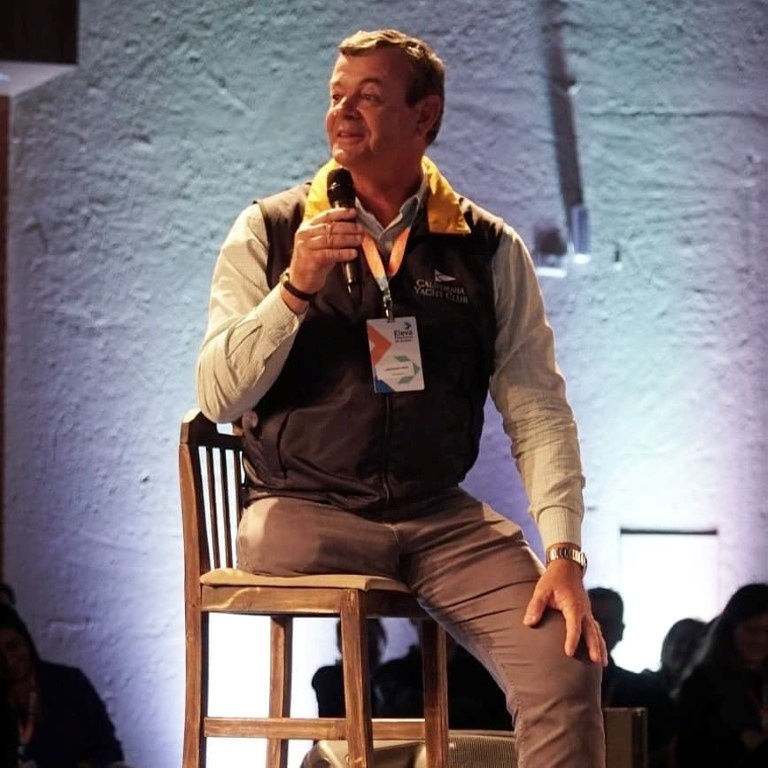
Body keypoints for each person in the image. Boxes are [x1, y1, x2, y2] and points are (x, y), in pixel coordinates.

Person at [196, 28, 606, 765]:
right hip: (306, 512)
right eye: (336, 96)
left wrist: (565, 552)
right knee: (272, 537)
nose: (342, 112)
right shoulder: (270, 229)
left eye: (369, 97)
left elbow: (539, 410)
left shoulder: (487, 248)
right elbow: (218, 396)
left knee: (566, 657)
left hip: (437, 520)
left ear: (425, 116)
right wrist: (294, 290)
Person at [0, 604, 126, 768]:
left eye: (13, 646)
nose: (8, 661)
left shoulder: (70, 684)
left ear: (27, 640)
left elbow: (108, 746)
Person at [675, 583, 768, 768]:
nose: (761, 640)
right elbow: (689, 753)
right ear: (730, 630)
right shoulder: (703, 684)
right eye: (751, 630)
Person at [587, 587, 676, 767]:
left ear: (620, 631)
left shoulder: (648, 692)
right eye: (593, 620)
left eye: (608, 623)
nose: (599, 629)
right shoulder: (547, 688)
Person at [311, 618, 387, 717]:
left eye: (369, 635)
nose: (365, 642)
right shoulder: (328, 677)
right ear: (340, 644)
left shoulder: (387, 678)